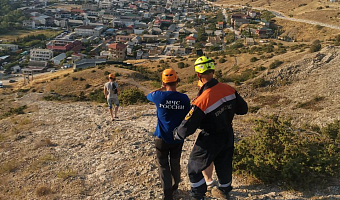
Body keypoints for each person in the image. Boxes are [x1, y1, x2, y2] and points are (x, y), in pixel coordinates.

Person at [173, 56, 248, 200]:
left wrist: (177, 134)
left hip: (210, 138)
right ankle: (225, 189)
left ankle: (198, 194)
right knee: (224, 163)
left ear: (198, 74)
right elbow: (243, 109)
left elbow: (188, 125)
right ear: (213, 70)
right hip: (228, 133)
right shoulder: (228, 89)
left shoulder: (202, 100)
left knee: (194, 167)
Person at [147, 69, 190, 200]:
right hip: (177, 138)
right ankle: (175, 185)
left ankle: (167, 194)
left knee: (163, 164)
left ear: (164, 83)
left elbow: (149, 95)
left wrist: (162, 87)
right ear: (177, 82)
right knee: (175, 162)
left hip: (161, 137)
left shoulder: (158, 96)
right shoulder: (184, 98)